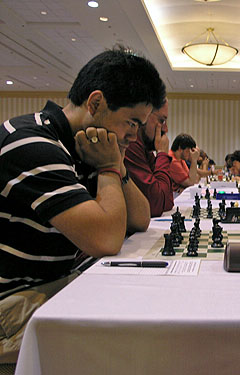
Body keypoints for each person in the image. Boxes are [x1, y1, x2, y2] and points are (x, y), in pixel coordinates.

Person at [0, 46, 166, 359]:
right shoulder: (32, 144)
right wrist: (107, 168)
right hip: (13, 307)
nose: (134, 135)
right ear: (96, 102)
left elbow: (140, 218)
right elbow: (105, 239)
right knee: (141, 344)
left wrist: (114, 163)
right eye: (130, 122)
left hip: (51, 288)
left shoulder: (84, 145)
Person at [124, 100, 174, 217]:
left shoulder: (145, 149)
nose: (165, 129)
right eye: (162, 120)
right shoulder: (130, 144)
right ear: (144, 115)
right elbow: (156, 205)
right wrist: (162, 153)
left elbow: (167, 200)